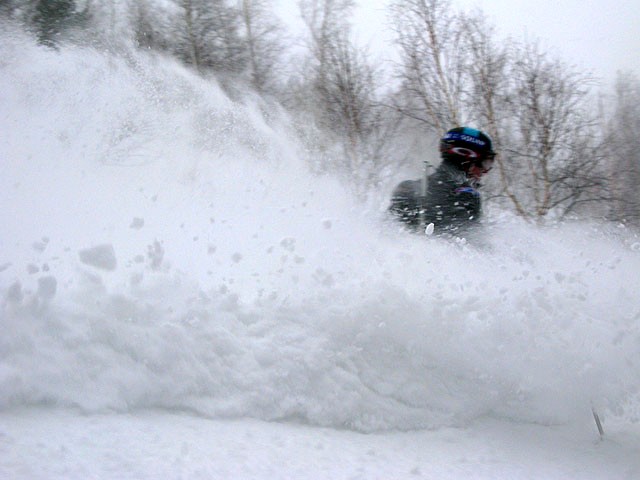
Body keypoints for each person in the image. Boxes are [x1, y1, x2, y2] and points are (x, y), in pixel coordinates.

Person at [389, 127, 496, 235]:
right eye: (486, 163)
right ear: (467, 159)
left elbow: (387, 229)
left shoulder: (408, 188)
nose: (485, 171)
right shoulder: (466, 196)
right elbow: (475, 245)